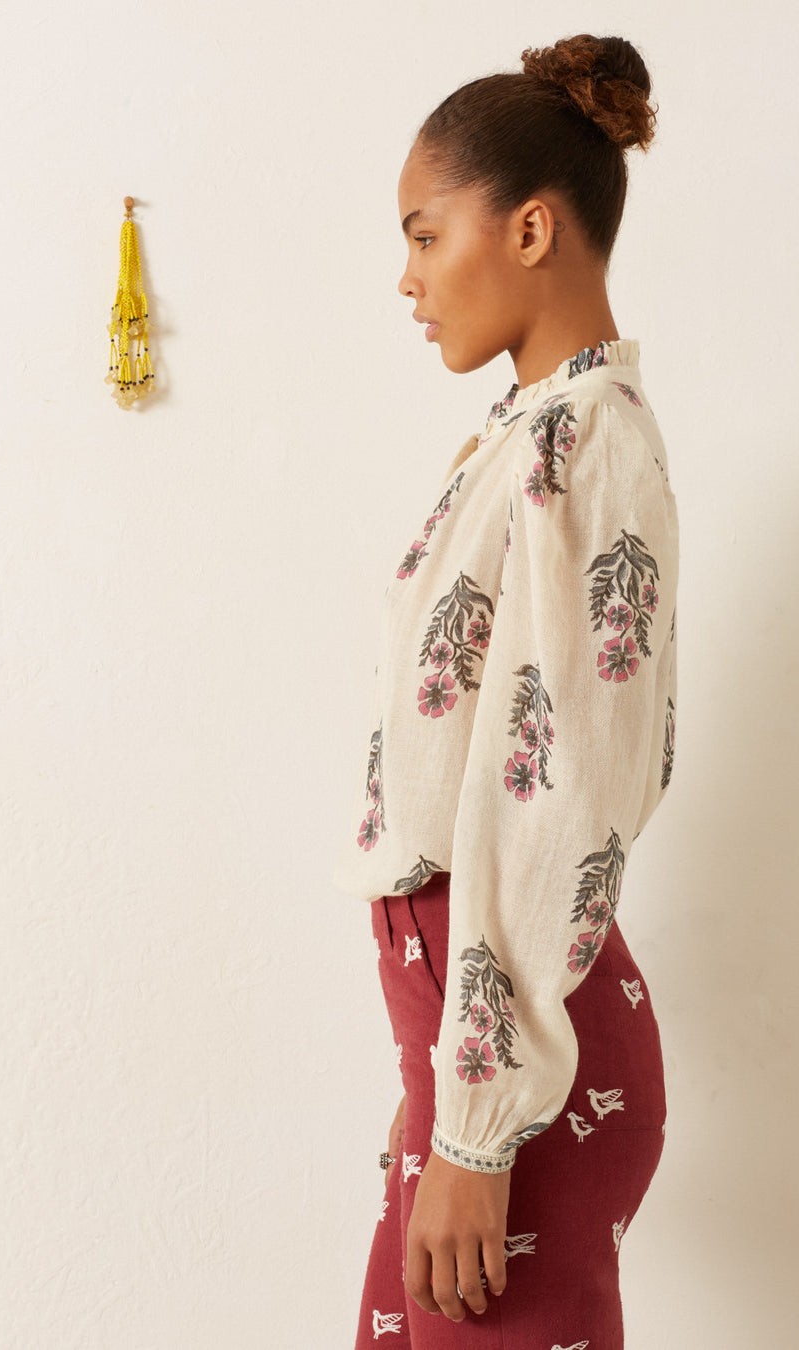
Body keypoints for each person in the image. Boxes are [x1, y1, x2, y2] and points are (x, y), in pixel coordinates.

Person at [332, 32, 680, 1349]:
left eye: (427, 236)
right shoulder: (537, 432)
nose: (409, 279)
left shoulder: (586, 451)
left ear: (530, 227)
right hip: (483, 1042)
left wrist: (478, 1122)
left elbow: (559, 797)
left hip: (524, 1069)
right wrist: (442, 1083)